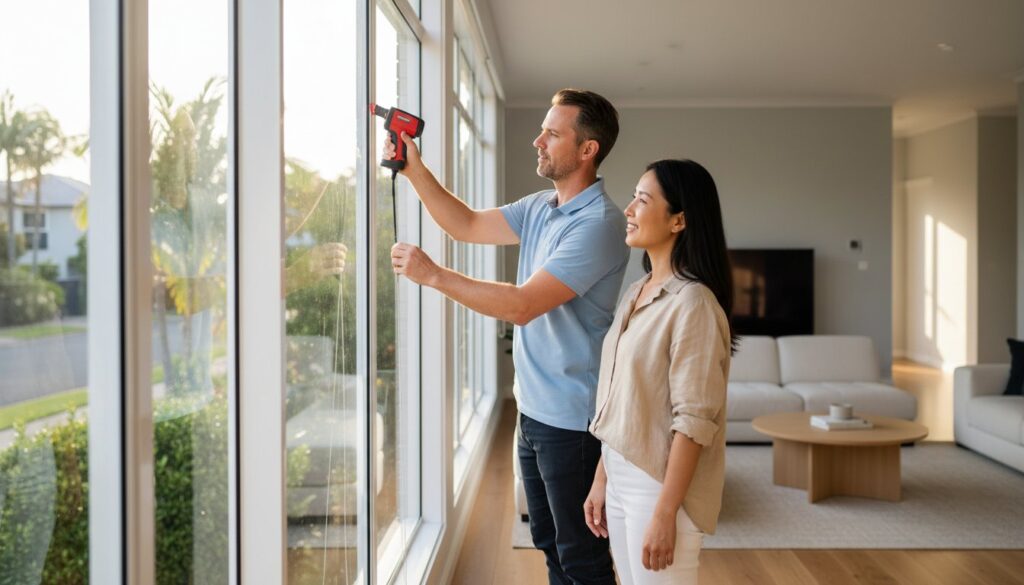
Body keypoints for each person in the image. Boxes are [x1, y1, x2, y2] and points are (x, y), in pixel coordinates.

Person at [385, 89, 627, 584]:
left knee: (581, 558)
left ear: (588, 150)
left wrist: (435, 276)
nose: (538, 141)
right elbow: (467, 224)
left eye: (552, 134)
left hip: (571, 421)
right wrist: (413, 170)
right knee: (550, 544)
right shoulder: (541, 206)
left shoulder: (599, 225)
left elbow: (523, 306)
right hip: (533, 409)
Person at [584, 159, 736, 585]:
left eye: (643, 200)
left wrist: (665, 512)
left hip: (657, 487)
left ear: (678, 220)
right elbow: (622, 400)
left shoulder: (693, 303)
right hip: (620, 475)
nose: (629, 209)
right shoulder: (637, 291)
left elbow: (693, 421)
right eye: (633, 197)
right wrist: (603, 477)